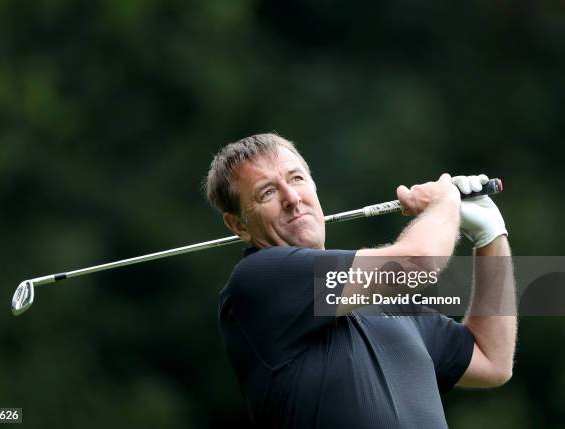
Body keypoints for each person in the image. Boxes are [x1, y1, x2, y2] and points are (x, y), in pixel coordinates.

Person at [205, 133, 516, 428]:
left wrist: (491, 236)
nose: (292, 198)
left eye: (297, 179)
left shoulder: (389, 306)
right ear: (238, 225)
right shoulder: (261, 278)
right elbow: (418, 263)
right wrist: (444, 202)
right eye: (268, 192)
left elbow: (492, 359)